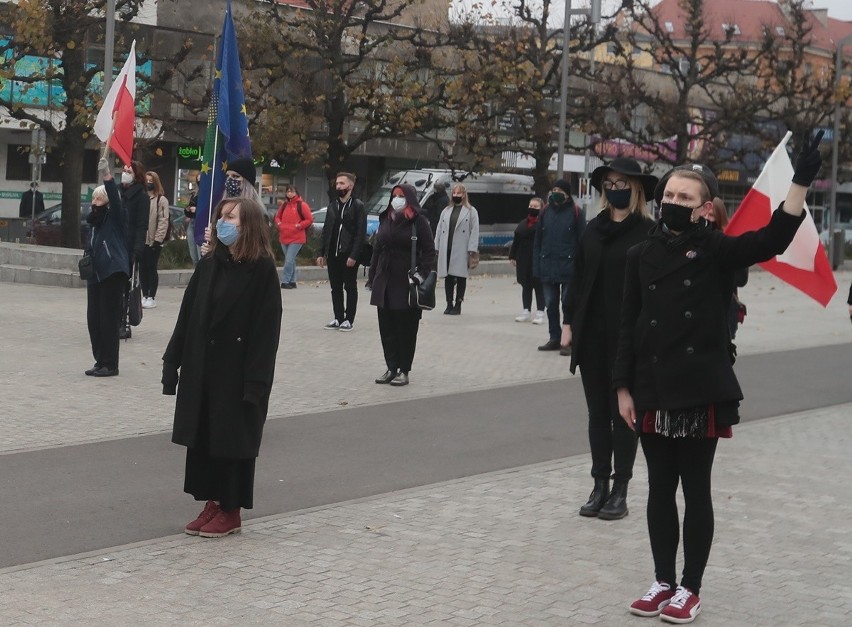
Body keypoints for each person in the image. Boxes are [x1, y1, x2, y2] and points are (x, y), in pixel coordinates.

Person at [616, 133, 823, 624]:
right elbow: (628, 325)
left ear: (704, 207)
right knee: (659, 489)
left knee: (696, 489)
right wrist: (622, 387)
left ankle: (690, 588)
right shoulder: (638, 255)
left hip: (699, 390)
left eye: (683, 197)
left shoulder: (718, 251)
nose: (671, 203)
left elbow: (773, 238)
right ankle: (661, 580)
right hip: (650, 389)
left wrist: (800, 182)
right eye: (667, 195)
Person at [162, 196, 282, 539]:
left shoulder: (261, 271)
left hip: (238, 372)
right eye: (221, 217)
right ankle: (212, 501)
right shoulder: (210, 264)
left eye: (232, 217)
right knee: (204, 438)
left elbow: (265, 333)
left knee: (232, 440)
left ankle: (231, 509)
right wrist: (173, 362)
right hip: (204, 370)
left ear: (249, 226)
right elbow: (188, 316)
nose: (223, 222)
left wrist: (256, 384)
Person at [565, 158, 657, 521]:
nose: (615, 188)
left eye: (622, 182)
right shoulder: (593, 228)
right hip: (591, 335)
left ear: (635, 188)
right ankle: (599, 483)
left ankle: (621, 489)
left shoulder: (648, 232)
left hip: (628, 338)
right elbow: (577, 277)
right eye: (610, 183)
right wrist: (568, 322)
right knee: (597, 414)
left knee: (624, 416)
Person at [366, 184, 436, 387]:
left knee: (405, 330)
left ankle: (404, 369)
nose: (396, 199)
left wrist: (420, 276)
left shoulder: (419, 221)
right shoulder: (386, 218)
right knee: (386, 328)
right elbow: (377, 249)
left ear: (410, 199)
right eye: (394, 196)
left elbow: (430, 252)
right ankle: (391, 366)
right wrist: (373, 276)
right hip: (384, 281)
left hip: (406, 283)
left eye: (401, 196)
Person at [85, 158, 129, 377]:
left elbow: (116, 200)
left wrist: (108, 177)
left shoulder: (115, 217)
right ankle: (99, 359)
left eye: (99, 198)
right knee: (94, 319)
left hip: (112, 272)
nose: (95, 201)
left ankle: (110, 364)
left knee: (108, 320)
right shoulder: (93, 221)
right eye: (93, 197)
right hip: (96, 274)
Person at [533, 178, 585, 355]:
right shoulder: (545, 212)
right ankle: (554, 338)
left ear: (567, 193)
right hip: (548, 265)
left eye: (559, 190)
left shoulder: (576, 212)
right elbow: (538, 241)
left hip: (568, 267)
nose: (555, 192)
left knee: (567, 304)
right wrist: (537, 266)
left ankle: (568, 340)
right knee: (550, 303)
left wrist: (580, 267)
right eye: (553, 189)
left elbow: (582, 242)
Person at [316, 172, 367, 331]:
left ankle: (348, 319)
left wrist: (354, 255)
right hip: (333, 253)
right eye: (337, 184)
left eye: (342, 184)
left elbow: (360, 233)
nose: (338, 187)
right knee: (335, 287)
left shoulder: (358, 206)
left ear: (350, 186)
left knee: (350, 287)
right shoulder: (332, 206)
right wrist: (321, 253)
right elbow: (326, 230)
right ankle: (338, 317)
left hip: (348, 254)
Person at [434, 183, 479, 315]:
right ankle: (449, 303)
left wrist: (472, 248)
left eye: (459, 193)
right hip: (446, 247)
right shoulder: (446, 210)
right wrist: (436, 245)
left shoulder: (471, 211)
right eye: (454, 193)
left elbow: (474, 230)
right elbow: (439, 229)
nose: (456, 196)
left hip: (462, 249)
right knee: (447, 276)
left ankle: (458, 304)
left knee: (460, 277)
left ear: (464, 194)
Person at [708, 198, 748, 343]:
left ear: (720, 217)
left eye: (712, 215)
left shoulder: (731, 242)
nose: (707, 219)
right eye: (704, 213)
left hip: (724, 312)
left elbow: (742, 279)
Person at [119, 160, 149, 340]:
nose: (124, 173)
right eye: (123, 170)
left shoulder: (142, 197)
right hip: (116, 244)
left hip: (129, 247)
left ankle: (124, 322)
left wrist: (138, 248)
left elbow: (141, 225)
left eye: (128, 171)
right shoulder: (117, 192)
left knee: (126, 287)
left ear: (136, 175)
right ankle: (114, 320)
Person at [509, 196, 546, 324]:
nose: (532, 208)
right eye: (531, 206)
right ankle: (526, 310)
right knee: (526, 285)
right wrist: (512, 256)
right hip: (523, 259)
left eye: (535, 207)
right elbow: (516, 241)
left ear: (541, 208)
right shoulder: (523, 223)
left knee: (539, 286)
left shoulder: (544, 224)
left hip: (538, 259)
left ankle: (541, 311)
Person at [274, 184, 313, 289]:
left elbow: (309, 219)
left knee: (289, 260)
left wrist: (299, 225)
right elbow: (277, 217)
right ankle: (292, 281)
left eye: (291, 191)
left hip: (297, 237)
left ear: (296, 192)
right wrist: (279, 224)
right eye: (288, 191)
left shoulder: (302, 205)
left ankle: (285, 281)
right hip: (284, 236)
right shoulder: (284, 205)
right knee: (290, 260)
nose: (289, 193)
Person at [140, 171, 170, 309]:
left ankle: (152, 296)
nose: (148, 183)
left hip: (154, 241)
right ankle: (144, 294)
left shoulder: (161, 200)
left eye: (151, 180)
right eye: (146, 180)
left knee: (151, 268)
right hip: (142, 241)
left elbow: (163, 221)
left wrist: (158, 240)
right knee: (142, 269)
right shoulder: (142, 198)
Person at [184, 176, 201, 266]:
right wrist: (188, 210)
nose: (199, 181)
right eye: (197, 180)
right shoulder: (195, 194)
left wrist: (197, 210)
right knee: (194, 257)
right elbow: (189, 214)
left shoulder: (208, 194)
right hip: (192, 224)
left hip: (201, 225)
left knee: (200, 256)